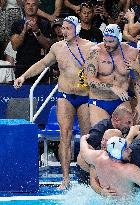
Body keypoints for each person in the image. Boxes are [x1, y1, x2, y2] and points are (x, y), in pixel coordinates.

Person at [14, 16, 96, 189]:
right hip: (65, 96)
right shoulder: (57, 48)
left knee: (87, 138)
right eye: (62, 28)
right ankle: (65, 179)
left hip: (85, 97)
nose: (63, 31)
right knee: (64, 136)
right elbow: (42, 64)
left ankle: (90, 177)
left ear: (77, 29)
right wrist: (23, 76)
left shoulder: (90, 47)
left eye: (67, 28)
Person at [80, 132, 140, 196]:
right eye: (126, 149)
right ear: (117, 153)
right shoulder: (128, 170)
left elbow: (84, 151)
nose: (130, 150)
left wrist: (83, 139)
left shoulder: (98, 157)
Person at [84, 24, 140, 127]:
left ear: (119, 39)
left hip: (121, 101)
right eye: (105, 40)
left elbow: (136, 80)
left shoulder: (131, 52)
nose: (107, 44)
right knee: (100, 135)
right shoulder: (95, 52)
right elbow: (90, 80)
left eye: (111, 42)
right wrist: (112, 87)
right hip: (99, 101)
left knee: (125, 135)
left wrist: (139, 104)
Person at [10, 0, 51, 84]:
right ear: (24, 6)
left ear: (37, 7)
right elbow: (14, 46)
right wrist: (24, 31)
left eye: (33, 4)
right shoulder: (17, 24)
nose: (30, 7)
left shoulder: (45, 24)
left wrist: (37, 31)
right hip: (22, 67)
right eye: (28, 4)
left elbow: (47, 45)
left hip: (40, 67)